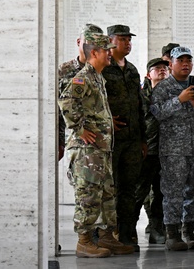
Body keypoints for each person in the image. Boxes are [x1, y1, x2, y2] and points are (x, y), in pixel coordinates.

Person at [60, 30, 135, 257]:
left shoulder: (97, 76)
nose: (110, 55)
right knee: (88, 197)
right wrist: (80, 129)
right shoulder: (83, 76)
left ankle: (106, 237)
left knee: (106, 196)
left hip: (100, 150)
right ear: (94, 52)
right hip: (86, 152)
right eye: (106, 51)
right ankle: (84, 241)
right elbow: (66, 101)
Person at [149, 46, 194, 251]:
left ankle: (189, 231)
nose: (186, 64)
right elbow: (157, 113)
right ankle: (172, 234)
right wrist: (179, 100)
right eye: (181, 60)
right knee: (173, 193)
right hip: (172, 150)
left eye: (189, 60)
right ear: (171, 64)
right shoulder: (163, 88)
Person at [102, 24, 146, 249]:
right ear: (110, 41)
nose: (128, 43)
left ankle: (126, 233)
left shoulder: (132, 70)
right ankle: (105, 234)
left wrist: (143, 139)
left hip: (132, 139)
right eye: (122, 39)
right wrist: (106, 122)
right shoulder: (102, 69)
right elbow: (94, 103)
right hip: (110, 139)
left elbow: (139, 105)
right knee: (108, 188)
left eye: (129, 39)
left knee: (130, 188)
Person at [135, 57, 169, 244]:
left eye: (165, 68)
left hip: (166, 151)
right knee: (138, 192)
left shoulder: (173, 94)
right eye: (157, 69)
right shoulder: (141, 95)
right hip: (146, 149)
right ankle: (128, 229)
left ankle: (157, 229)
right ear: (149, 75)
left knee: (160, 193)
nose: (162, 71)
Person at [58, 23, 104, 161]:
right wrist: (60, 140)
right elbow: (58, 107)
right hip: (74, 138)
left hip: (100, 138)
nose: (91, 47)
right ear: (79, 42)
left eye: (96, 43)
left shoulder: (102, 70)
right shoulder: (63, 71)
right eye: (88, 42)